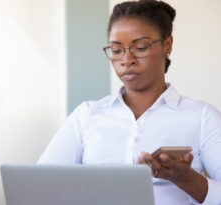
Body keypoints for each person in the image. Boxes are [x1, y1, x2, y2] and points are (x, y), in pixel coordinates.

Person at [38, 0, 221, 204]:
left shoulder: (203, 117)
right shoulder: (86, 116)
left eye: (140, 47)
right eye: (116, 50)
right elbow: (39, 186)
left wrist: (186, 179)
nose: (126, 59)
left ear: (167, 46)